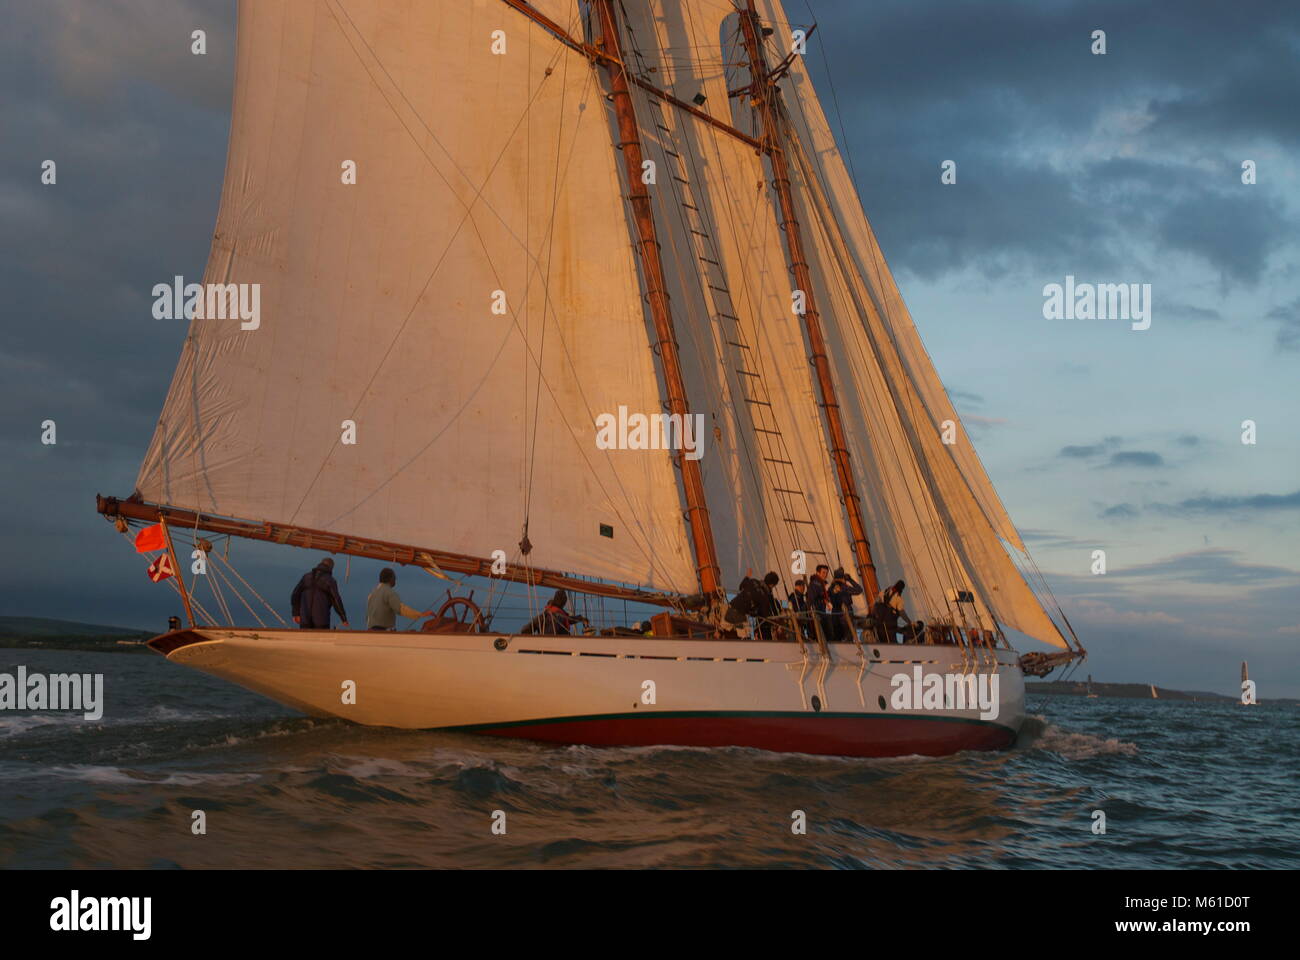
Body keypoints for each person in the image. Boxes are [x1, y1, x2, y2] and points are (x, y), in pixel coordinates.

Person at [291, 557, 349, 629]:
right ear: (331, 567)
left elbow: (295, 594)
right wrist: (343, 618)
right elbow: (336, 600)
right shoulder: (330, 580)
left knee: (305, 639)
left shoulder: (306, 577)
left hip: (305, 619)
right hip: (321, 620)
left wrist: (295, 613)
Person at [365, 568, 431, 631]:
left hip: (370, 631)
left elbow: (367, 616)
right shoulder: (389, 592)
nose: (395, 580)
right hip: (382, 631)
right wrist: (421, 614)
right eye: (394, 578)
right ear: (390, 579)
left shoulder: (372, 594)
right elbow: (400, 609)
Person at [724, 570, 780, 639]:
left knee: (732, 635)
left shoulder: (753, 581)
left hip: (730, 609)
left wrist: (747, 577)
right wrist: (775, 623)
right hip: (739, 615)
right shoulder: (764, 597)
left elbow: (741, 586)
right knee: (746, 638)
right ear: (772, 585)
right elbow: (764, 615)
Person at [521, 589, 588, 636]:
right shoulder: (556, 615)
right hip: (559, 647)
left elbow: (531, 625)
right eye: (564, 600)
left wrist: (580, 618)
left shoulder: (545, 615)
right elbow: (569, 619)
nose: (564, 602)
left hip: (546, 646)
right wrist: (581, 618)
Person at [828, 567, 863, 642]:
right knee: (847, 635)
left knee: (840, 636)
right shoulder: (843, 587)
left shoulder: (832, 587)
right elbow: (859, 590)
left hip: (838, 613)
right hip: (843, 613)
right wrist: (850, 580)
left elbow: (859, 590)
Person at [871, 579, 906, 644]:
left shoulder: (883, 592)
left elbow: (875, 604)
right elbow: (901, 612)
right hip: (890, 627)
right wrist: (909, 622)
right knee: (893, 644)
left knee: (881, 641)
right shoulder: (898, 598)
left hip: (879, 624)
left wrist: (871, 615)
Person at [806, 564, 833, 642]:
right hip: (820, 613)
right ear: (818, 573)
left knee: (828, 634)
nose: (825, 575)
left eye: (826, 573)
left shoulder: (823, 584)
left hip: (825, 612)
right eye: (823, 572)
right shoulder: (815, 584)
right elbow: (812, 599)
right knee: (825, 634)